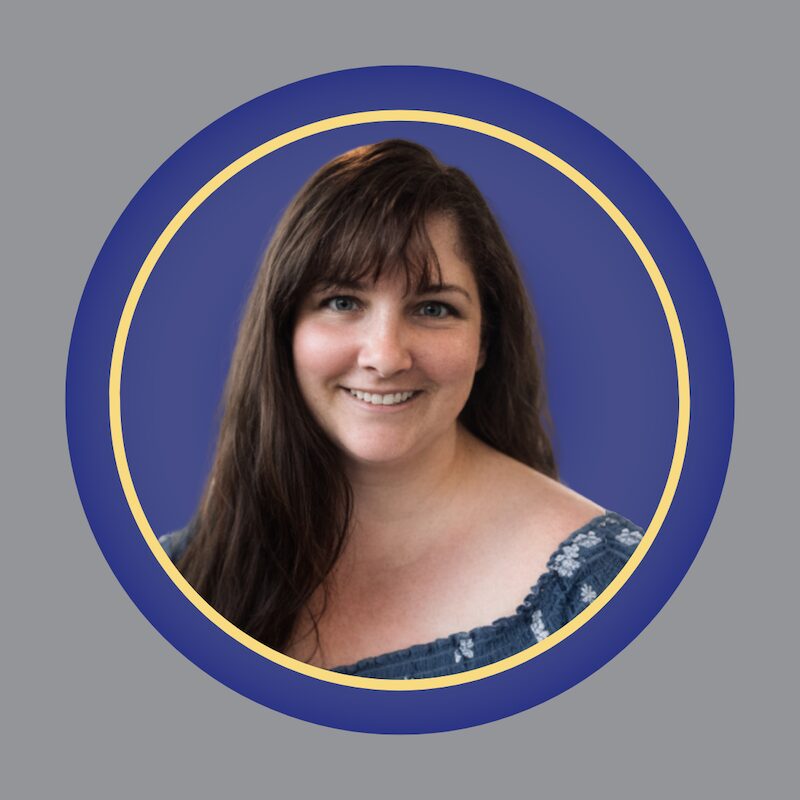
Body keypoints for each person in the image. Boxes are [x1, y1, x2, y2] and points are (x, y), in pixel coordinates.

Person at [159, 139, 643, 679]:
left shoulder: (607, 588)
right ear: (284, 329)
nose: (385, 357)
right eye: (342, 302)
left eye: (433, 308)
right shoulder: (176, 574)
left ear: (485, 341)